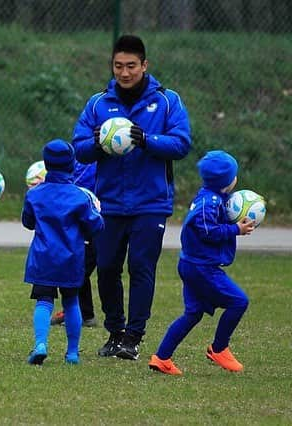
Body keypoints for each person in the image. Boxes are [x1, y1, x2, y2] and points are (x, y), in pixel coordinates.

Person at [72, 34, 192, 360]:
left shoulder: (167, 101)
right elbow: (79, 149)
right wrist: (97, 143)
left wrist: (145, 139)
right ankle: (115, 332)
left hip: (150, 203)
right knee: (107, 267)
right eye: (118, 66)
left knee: (141, 268)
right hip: (108, 203)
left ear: (144, 65)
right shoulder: (98, 104)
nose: (124, 73)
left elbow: (181, 144)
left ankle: (134, 337)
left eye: (131, 66)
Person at [149, 151, 254, 375]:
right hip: (201, 268)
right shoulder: (209, 202)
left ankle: (161, 358)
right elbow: (207, 230)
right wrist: (236, 229)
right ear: (227, 181)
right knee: (239, 302)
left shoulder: (211, 196)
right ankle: (218, 349)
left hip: (192, 264)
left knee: (193, 313)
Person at [22, 139, 104, 365]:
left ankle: (40, 344)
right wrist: (97, 211)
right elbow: (96, 227)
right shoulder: (80, 196)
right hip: (71, 258)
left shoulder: (35, 194)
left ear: (46, 165)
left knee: (43, 301)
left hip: (43, 257)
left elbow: (28, 222)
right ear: (72, 165)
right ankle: (72, 353)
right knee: (71, 302)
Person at [49, 161, 99, 328]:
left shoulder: (104, 160)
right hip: (76, 220)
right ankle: (79, 312)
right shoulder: (76, 160)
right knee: (77, 267)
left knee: (82, 269)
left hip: (95, 217)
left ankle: (83, 313)